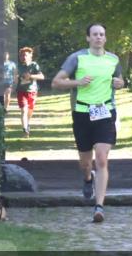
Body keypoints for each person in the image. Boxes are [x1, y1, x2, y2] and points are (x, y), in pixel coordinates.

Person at [51, 23, 125, 223]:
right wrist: (78, 82)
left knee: (101, 158)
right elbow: (56, 82)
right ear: (88, 38)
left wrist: (120, 83)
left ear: (105, 38)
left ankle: (99, 206)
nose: (99, 37)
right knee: (85, 161)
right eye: (95, 34)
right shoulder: (77, 58)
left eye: (102, 34)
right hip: (82, 112)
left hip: (105, 111)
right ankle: (87, 178)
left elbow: (119, 80)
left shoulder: (113, 59)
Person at [15, 47, 44, 137]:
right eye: (22, 55)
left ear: (30, 56)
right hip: (21, 91)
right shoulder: (18, 67)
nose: (24, 57)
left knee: (30, 111)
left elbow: (42, 77)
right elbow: (15, 80)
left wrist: (30, 76)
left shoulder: (34, 65)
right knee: (24, 110)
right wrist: (16, 78)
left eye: (26, 55)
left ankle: (27, 123)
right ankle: (25, 129)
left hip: (32, 91)